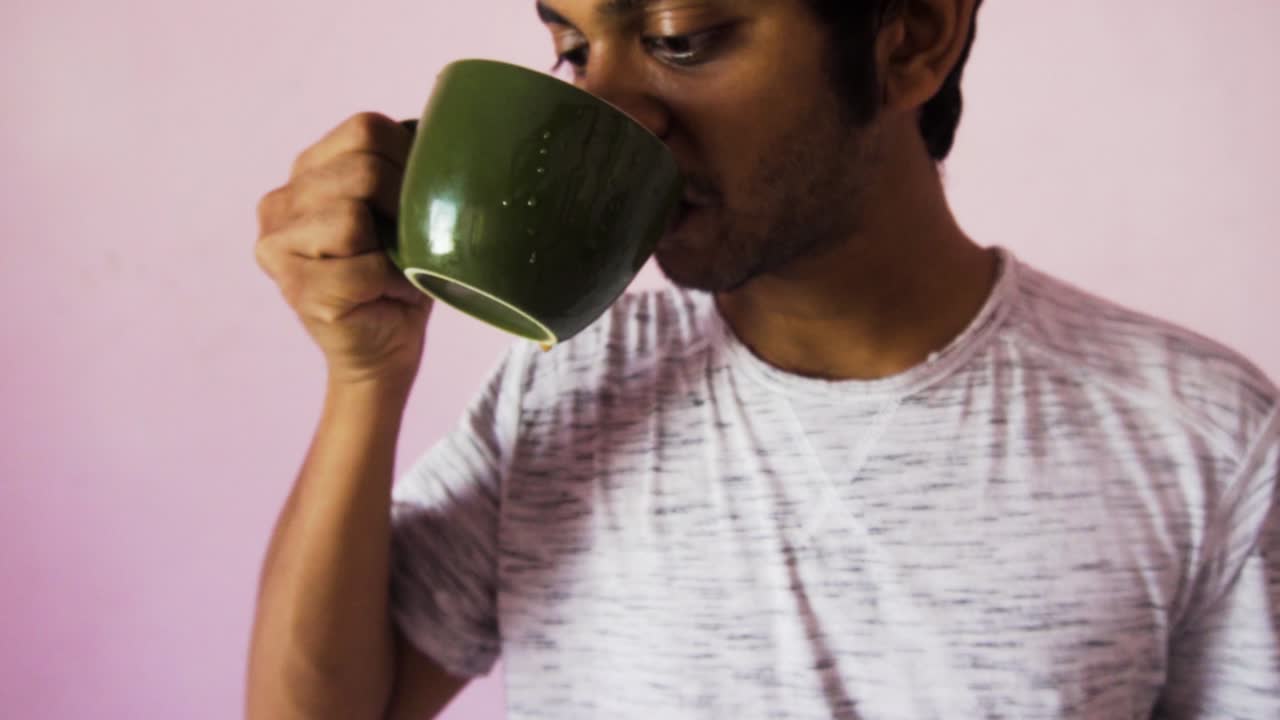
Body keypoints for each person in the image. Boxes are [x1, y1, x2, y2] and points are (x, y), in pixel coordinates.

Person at [247, 0, 1280, 718]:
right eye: (570, 46)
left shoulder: (1197, 437)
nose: (608, 107)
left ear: (912, 35)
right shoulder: (562, 386)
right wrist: (365, 377)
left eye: (677, 38)